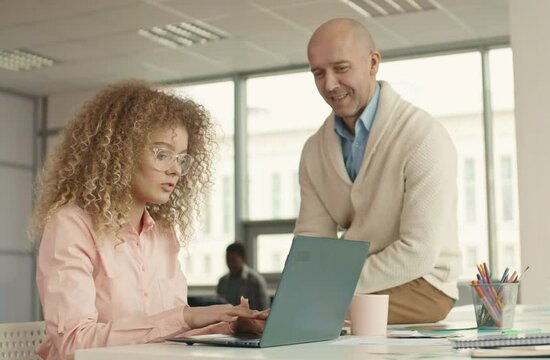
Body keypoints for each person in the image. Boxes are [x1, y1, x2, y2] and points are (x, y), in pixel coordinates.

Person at [31, 81, 266, 360]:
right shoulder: (71, 226)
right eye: (162, 154)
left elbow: (168, 334)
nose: (176, 170)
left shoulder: (163, 235)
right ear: (120, 152)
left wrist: (232, 325)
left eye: (181, 159)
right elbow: (74, 343)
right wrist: (186, 317)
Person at [295, 18, 462, 324]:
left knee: (316, 317)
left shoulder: (422, 137)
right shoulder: (314, 151)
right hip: (353, 286)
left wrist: (324, 291)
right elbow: (313, 247)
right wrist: (302, 292)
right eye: (319, 73)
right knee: (297, 317)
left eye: (341, 68)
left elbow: (418, 253)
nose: (330, 84)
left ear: (373, 63)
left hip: (425, 284)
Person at [217, 243, 269, 310]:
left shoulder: (255, 281)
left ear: (243, 258)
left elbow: (263, 310)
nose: (230, 264)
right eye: (227, 260)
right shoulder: (222, 281)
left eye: (233, 260)